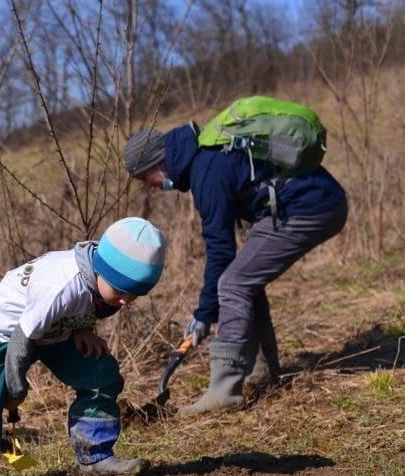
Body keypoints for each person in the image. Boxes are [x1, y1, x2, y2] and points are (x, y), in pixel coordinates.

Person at [0, 217, 167, 476]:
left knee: (101, 372)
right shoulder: (60, 284)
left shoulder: (102, 279)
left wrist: (83, 328)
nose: (125, 301)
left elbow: (84, 304)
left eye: (135, 295)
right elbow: (22, 339)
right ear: (102, 269)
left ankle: (95, 457)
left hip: (53, 332)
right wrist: (15, 388)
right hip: (6, 335)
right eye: (121, 292)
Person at [123, 115, 348, 416]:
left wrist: (204, 315)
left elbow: (220, 252)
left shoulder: (207, 173)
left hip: (311, 208)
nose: (151, 187)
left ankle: (224, 389)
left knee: (234, 283)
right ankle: (261, 371)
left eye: (144, 179)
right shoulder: (207, 159)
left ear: (157, 165)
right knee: (244, 279)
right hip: (316, 200)